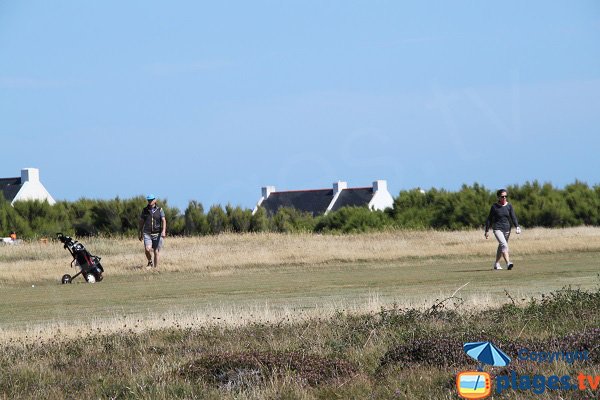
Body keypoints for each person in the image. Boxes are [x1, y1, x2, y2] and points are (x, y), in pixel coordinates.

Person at [485, 189, 521, 270]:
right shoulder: (494, 206)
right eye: (502, 196)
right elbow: (489, 219)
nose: (504, 198)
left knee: (501, 247)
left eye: (505, 196)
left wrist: (517, 226)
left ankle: (496, 264)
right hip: (497, 228)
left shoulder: (509, 206)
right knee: (504, 245)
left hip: (507, 229)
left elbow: (513, 217)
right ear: (498, 197)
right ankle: (508, 263)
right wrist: (486, 230)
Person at [138, 194, 166, 268]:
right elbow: (141, 222)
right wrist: (140, 232)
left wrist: (163, 231)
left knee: (156, 251)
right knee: (147, 249)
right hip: (147, 233)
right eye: (148, 200)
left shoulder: (160, 210)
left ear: (155, 200)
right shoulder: (145, 210)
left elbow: (163, 220)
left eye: (151, 200)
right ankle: (150, 262)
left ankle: (155, 268)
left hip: (158, 234)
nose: (149, 201)